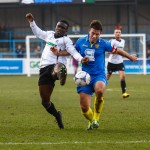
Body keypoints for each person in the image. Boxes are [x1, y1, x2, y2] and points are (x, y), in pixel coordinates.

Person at [26, 13, 88, 129]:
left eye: (62, 28)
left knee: (57, 68)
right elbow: (38, 33)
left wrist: (81, 59)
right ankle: (57, 115)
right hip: (43, 69)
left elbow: (73, 52)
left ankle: (60, 75)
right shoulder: (49, 35)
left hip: (56, 65)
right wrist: (31, 22)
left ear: (66, 30)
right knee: (45, 102)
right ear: (56, 26)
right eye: (58, 26)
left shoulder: (66, 40)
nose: (59, 28)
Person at [73, 20, 137, 130]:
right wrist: (58, 54)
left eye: (97, 34)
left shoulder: (103, 43)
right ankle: (91, 120)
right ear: (89, 31)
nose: (94, 36)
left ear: (100, 34)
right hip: (85, 77)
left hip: (99, 75)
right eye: (93, 33)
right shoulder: (80, 41)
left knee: (99, 90)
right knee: (84, 108)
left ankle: (96, 119)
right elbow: (71, 51)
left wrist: (130, 57)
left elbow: (118, 51)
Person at [107, 28, 130, 98]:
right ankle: (98, 91)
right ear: (114, 34)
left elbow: (122, 51)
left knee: (122, 76)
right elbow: (108, 51)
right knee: (107, 78)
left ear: (121, 33)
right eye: (116, 32)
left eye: (119, 32)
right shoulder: (112, 41)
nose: (118, 33)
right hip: (111, 62)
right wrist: (113, 52)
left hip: (120, 62)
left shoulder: (123, 41)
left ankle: (124, 93)